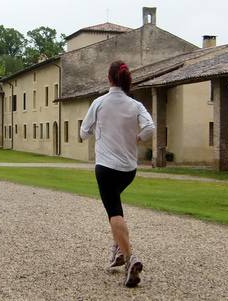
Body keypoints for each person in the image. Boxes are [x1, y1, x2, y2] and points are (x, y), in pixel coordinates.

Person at [80, 61, 155, 288]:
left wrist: (96, 130)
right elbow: (150, 128)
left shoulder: (99, 103)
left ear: (109, 78)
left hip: (105, 168)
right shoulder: (135, 105)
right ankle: (117, 252)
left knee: (114, 212)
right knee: (116, 208)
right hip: (128, 170)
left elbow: (83, 133)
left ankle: (130, 257)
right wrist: (137, 138)